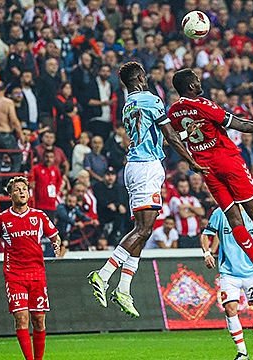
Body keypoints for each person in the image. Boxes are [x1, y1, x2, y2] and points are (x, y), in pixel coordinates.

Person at [87, 62, 205, 318]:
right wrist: (192, 161)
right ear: (140, 78)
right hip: (147, 168)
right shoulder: (152, 99)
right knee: (144, 230)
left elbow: (156, 136)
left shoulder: (128, 104)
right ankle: (104, 273)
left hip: (135, 166)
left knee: (141, 231)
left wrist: (184, 134)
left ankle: (124, 289)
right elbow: (169, 138)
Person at [167, 68, 253, 294]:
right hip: (227, 161)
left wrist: (190, 159)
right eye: (197, 80)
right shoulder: (203, 104)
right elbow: (237, 123)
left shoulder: (173, 113)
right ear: (191, 86)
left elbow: (174, 139)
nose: (200, 83)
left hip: (207, 170)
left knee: (234, 217)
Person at [0, 176, 62, 360]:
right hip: (15, 274)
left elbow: (55, 236)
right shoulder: (2, 219)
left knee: (38, 320)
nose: (22, 192)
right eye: (17, 189)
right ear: (10, 195)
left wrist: (56, 244)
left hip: (37, 274)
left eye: (24, 189)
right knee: (21, 318)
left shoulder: (39, 216)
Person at [201, 207, 253, 360]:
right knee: (230, 309)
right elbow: (206, 235)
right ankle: (242, 352)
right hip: (229, 273)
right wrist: (207, 253)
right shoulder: (220, 213)